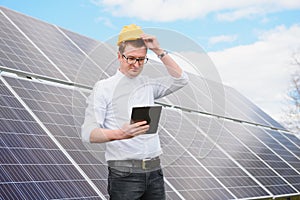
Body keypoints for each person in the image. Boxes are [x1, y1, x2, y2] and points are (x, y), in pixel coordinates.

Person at [81, 24, 189, 200]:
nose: (136, 64)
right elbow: (88, 133)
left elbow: (181, 80)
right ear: (119, 56)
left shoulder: (148, 85)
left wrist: (158, 50)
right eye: (130, 58)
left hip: (155, 172)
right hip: (125, 176)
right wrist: (120, 133)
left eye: (141, 59)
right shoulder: (104, 88)